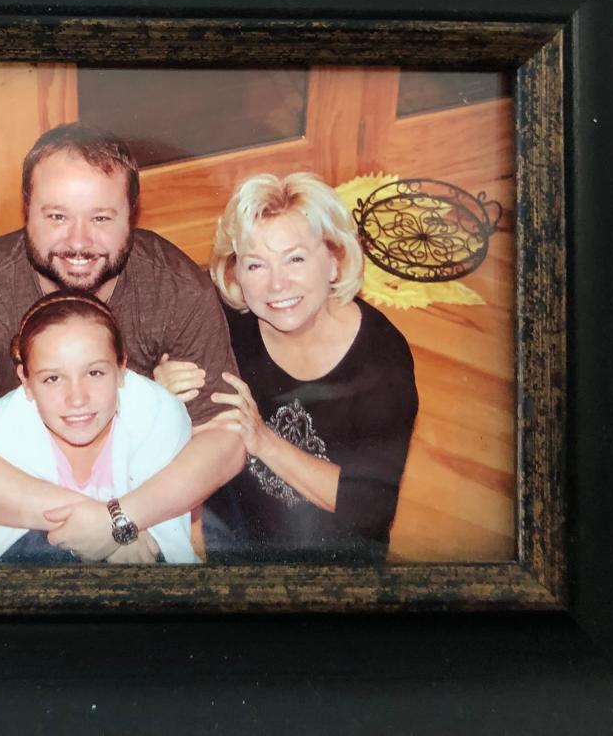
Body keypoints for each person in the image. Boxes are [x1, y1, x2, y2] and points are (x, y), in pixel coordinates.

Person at [0, 125, 242, 561]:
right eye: (57, 217)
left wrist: (122, 518)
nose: (78, 241)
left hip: (139, 503)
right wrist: (100, 522)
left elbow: (225, 438)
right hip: (21, 506)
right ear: (26, 211)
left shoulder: (177, 289)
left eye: (101, 218)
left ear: (132, 214)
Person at [155, 172, 418, 563]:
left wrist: (263, 439)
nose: (276, 285)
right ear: (235, 274)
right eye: (256, 265)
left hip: (333, 565)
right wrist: (158, 386)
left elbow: (368, 509)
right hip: (233, 548)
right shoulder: (219, 318)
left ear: (333, 262)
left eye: (295, 258)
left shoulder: (382, 359)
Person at [0, 290, 198, 564]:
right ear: (26, 382)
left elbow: (168, 546)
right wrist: (114, 538)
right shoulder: (4, 426)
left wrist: (115, 537)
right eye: (52, 378)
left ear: (122, 367)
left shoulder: (158, 412)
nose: (77, 399)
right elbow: (4, 549)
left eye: (95, 373)